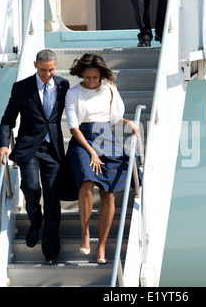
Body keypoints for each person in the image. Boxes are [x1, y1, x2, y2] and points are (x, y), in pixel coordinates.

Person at [64, 53, 140, 264]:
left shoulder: (110, 90)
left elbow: (114, 119)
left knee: (109, 194)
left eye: (95, 77)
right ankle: (85, 233)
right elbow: (73, 128)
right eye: (87, 77)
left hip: (107, 138)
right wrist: (92, 152)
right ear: (81, 74)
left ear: (101, 75)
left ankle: (102, 246)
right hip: (83, 141)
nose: (91, 81)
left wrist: (129, 123)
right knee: (88, 181)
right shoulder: (73, 93)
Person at [0, 49, 70, 265]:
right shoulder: (22, 88)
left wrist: (106, 87)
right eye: (43, 70)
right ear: (35, 65)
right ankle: (35, 220)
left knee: (53, 198)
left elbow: (82, 96)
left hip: (53, 151)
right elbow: (7, 120)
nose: (48, 74)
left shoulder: (63, 85)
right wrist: (3, 145)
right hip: (29, 149)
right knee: (30, 188)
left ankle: (50, 251)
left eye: (51, 70)